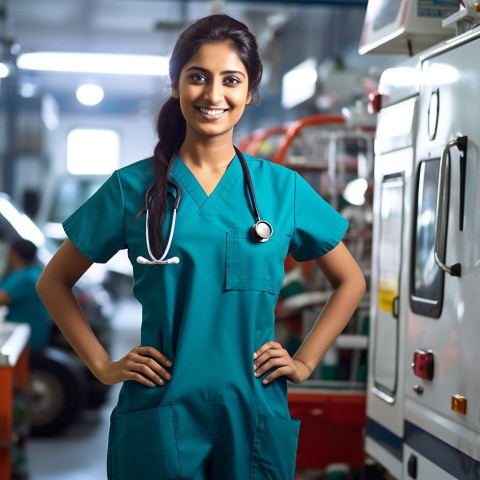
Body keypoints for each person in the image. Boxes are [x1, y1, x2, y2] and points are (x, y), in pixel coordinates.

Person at [36, 13, 365, 480]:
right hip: (161, 406)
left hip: (252, 406)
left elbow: (350, 280)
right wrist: (103, 366)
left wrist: (306, 359)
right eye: (197, 77)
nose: (214, 95)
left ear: (249, 92)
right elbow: (54, 281)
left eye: (231, 80)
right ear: (176, 86)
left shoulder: (282, 190)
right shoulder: (132, 188)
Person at [0, 239, 50, 351]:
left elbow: (2, 298)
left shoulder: (23, 278)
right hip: (37, 334)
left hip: (27, 340)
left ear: (14, 254)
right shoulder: (35, 272)